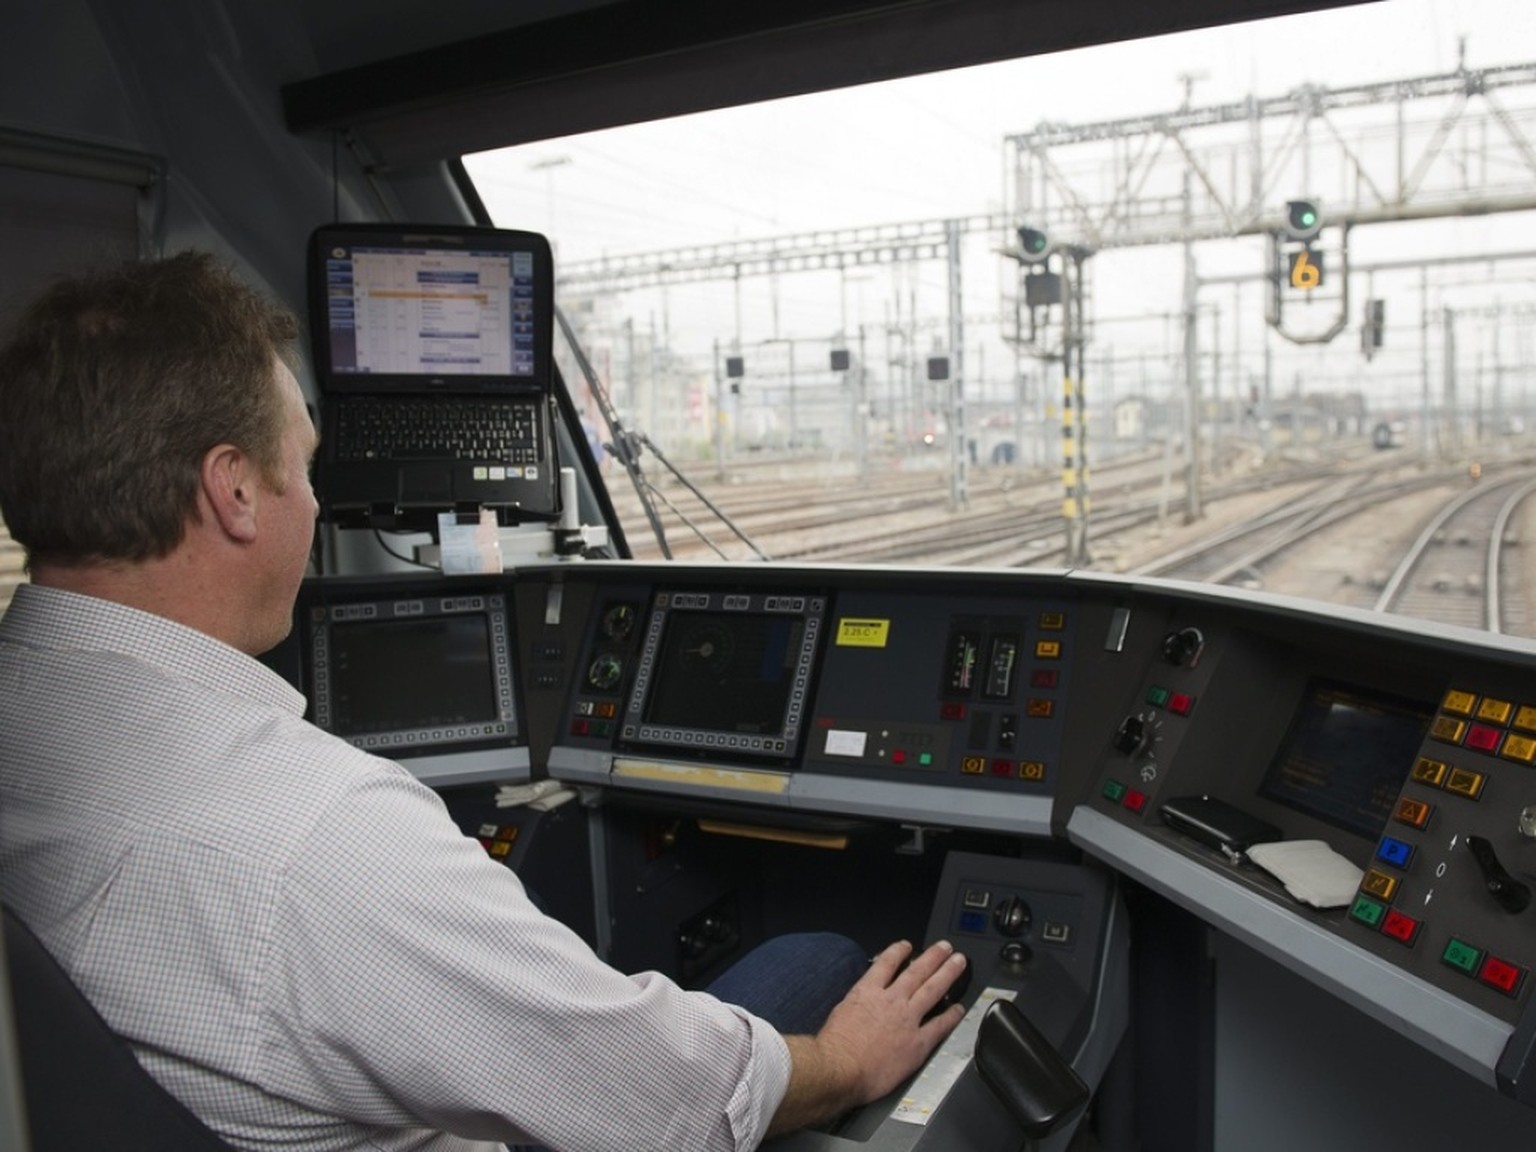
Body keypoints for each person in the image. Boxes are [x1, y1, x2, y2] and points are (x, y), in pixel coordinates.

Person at [0, 252, 966, 1152]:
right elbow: (661, 1098)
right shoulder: (319, 835)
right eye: (303, 466)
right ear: (236, 493)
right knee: (824, 956)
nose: (314, 504)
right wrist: (842, 1064)